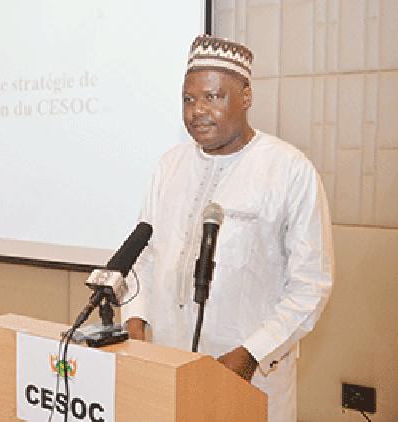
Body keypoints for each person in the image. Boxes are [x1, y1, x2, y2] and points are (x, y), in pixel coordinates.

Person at [121, 35, 333, 422]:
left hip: (249, 376)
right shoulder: (169, 166)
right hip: (168, 365)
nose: (197, 111)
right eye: (188, 99)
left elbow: (310, 286)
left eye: (213, 97)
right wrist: (134, 320)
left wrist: (252, 353)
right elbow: (145, 256)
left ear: (246, 96)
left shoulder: (289, 170)